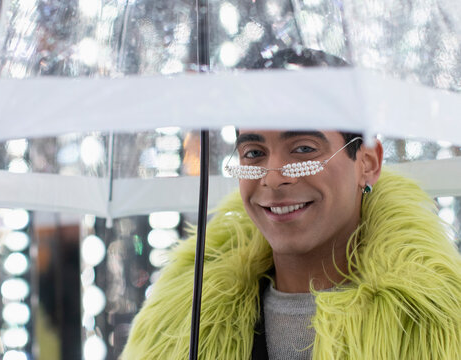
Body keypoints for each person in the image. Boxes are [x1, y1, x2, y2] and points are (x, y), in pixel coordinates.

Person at [121, 129, 461, 359]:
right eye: (253, 153)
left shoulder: (435, 326)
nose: (273, 177)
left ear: (367, 163)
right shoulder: (178, 328)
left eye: (303, 149)